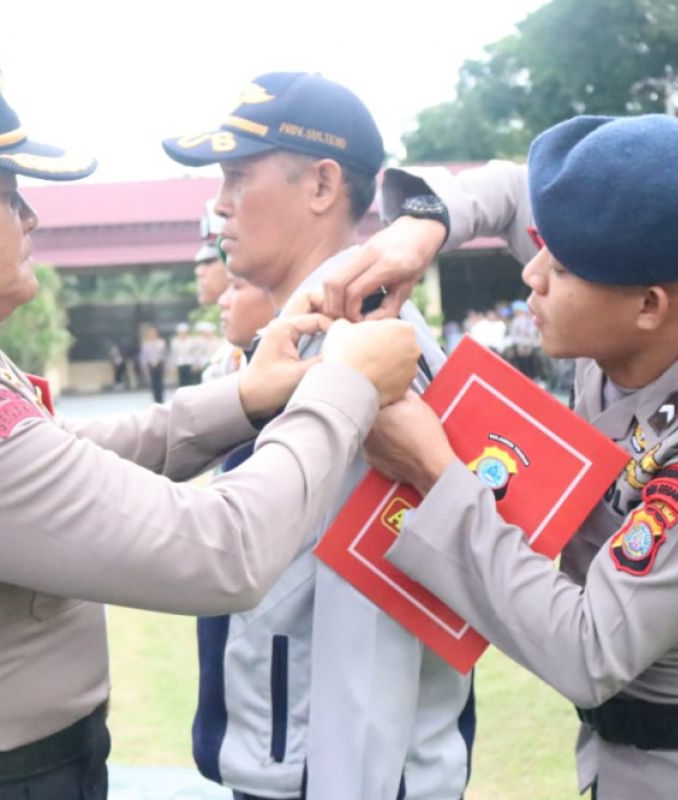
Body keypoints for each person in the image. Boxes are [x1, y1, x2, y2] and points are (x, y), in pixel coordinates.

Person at [0, 37, 422, 800]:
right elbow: (223, 551)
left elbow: (55, 457)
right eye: (7, 191)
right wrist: (343, 390)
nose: (32, 217)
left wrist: (246, 398)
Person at [317, 114, 678, 800]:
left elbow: (591, 650)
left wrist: (436, 475)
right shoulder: (630, 279)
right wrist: (419, 231)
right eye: (541, 248)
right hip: (622, 765)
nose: (531, 274)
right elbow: (509, 187)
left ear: (650, 305)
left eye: (557, 267)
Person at [163, 71, 472, 800]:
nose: (219, 204)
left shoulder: (364, 345)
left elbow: (379, 606)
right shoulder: (298, 339)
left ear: (323, 186)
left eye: (239, 176)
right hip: (293, 754)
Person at [138, 323, 168, 402]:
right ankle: (155, 400)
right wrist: (144, 367)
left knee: (160, 383)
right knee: (153, 383)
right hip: (150, 365)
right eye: (150, 333)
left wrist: (166, 365)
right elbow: (143, 357)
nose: (152, 334)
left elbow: (164, 355)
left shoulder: (161, 343)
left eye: (153, 333)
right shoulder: (146, 345)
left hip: (159, 364)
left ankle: (161, 399)